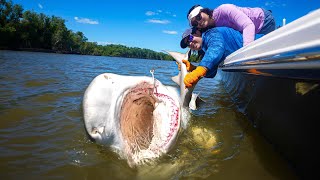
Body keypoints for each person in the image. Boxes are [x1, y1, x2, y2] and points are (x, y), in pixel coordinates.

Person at [179, 26, 244, 88]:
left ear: (197, 32)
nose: (190, 44)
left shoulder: (211, 33)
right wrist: (194, 69)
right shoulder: (205, 49)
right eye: (187, 44)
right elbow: (212, 73)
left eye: (190, 38)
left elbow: (216, 47)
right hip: (240, 61)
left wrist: (201, 69)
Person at [187, 4, 276, 46]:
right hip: (251, 32)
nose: (199, 22)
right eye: (195, 23)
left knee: (271, 46)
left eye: (198, 17)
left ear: (205, 11)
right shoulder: (212, 30)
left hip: (263, 20)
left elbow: (248, 25)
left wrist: (246, 52)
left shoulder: (224, 9)